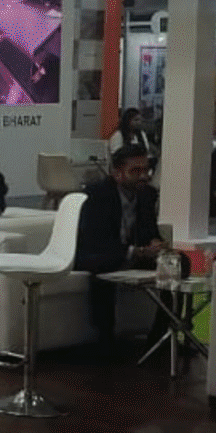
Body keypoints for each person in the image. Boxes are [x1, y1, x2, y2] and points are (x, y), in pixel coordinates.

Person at [74, 145, 164, 343]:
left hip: (135, 254)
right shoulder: (96, 195)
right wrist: (135, 251)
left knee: (179, 264)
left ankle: (162, 335)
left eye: (146, 170)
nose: (143, 176)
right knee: (105, 265)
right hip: (100, 253)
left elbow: (150, 231)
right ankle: (104, 337)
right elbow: (96, 241)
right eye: (135, 171)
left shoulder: (147, 194)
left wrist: (155, 243)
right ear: (117, 173)